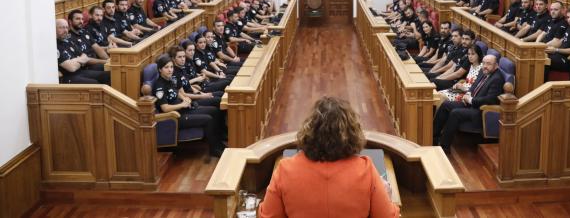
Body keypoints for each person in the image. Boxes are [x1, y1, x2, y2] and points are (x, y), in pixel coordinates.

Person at [258, 96, 399, 218]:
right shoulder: (366, 170)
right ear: (352, 133)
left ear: (309, 130)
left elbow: (267, 215)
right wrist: (386, 197)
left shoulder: (285, 170)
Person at [150, 54, 224, 157]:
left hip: (184, 109)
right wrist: (181, 104)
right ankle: (214, 149)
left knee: (214, 110)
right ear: (160, 70)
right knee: (208, 119)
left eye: (171, 67)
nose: (170, 70)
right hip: (176, 116)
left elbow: (177, 92)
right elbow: (165, 108)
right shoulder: (159, 87)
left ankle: (219, 141)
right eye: (166, 67)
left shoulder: (170, 80)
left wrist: (184, 98)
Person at [433, 55, 504, 152]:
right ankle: (434, 136)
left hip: (480, 110)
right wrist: (468, 94)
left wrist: (471, 100)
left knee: (455, 113)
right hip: (471, 103)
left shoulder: (497, 79)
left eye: (489, 64)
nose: (485, 66)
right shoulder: (483, 71)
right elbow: (474, 86)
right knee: (446, 104)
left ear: (496, 65)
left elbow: (490, 100)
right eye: (483, 63)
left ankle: (444, 146)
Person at [56, 19, 111, 84]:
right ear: (54, 29)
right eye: (61, 27)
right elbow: (71, 68)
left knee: (108, 75)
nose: (65, 30)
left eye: (66, 27)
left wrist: (75, 61)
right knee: (94, 83)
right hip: (68, 77)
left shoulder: (69, 41)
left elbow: (85, 56)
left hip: (80, 71)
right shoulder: (55, 46)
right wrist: (80, 61)